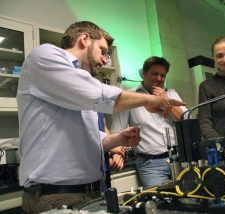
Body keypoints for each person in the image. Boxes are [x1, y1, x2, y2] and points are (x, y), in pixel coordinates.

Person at [17, 21, 185, 213]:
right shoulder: (45, 55)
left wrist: (116, 139)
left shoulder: (80, 82)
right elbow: (96, 95)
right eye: (103, 51)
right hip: (54, 196)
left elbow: (90, 136)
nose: (105, 60)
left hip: (89, 192)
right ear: (84, 39)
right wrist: (149, 100)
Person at [110, 56, 187, 189]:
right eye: (155, 74)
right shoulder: (130, 97)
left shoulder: (171, 94)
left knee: (189, 200)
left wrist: (165, 99)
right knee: (163, 203)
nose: (159, 78)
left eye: (162, 75)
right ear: (144, 73)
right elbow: (117, 131)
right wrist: (116, 153)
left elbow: (184, 119)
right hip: (151, 164)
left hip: (179, 159)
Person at [98, 112, 126, 192]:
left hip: (103, 168)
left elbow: (104, 128)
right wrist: (112, 147)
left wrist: (116, 151)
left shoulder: (98, 103)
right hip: (86, 171)